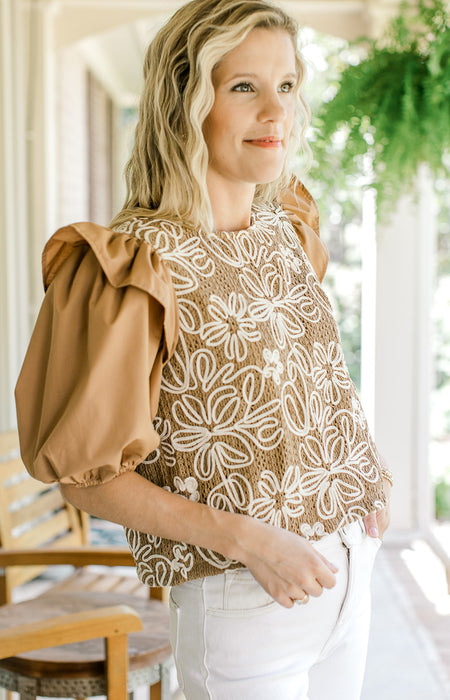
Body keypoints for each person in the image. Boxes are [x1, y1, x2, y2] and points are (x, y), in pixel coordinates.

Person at [15, 0, 392, 697]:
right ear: (184, 101)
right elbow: (85, 478)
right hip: (245, 600)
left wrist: (358, 468)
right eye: (243, 86)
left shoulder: (286, 223)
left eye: (285, 85)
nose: (275, 113)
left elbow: (300, 371)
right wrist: (251, 541)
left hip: (349, 573)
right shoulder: (132, 267)